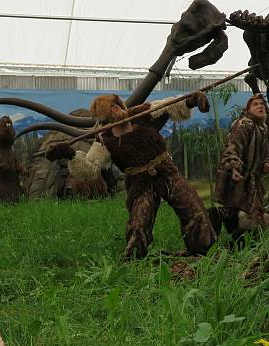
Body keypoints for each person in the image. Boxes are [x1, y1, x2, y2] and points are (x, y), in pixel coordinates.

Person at [48, 93, 214, 259]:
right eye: (110, 109)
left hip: (165, 171)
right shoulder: (105, 139)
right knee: (138, 224)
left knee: (193, 208)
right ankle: (135, 258)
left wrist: (192, 101)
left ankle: (202, 252)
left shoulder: (142, 114)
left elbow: (169, 105)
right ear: (103, 117)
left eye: (116, 105)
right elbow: (90, 169)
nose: (115, 110)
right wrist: (70, 154)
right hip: (139, 182)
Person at [212, 94, 269, 238]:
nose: (260, 106)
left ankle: (246, 238)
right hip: (238, 176)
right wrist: (234, 168)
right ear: (248, 109)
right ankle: (228, 234)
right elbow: (233, 146)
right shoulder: (244, 124)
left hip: (251, 178)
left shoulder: (261, 128)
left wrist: (266, 163)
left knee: (251, 210)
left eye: (262, 104)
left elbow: (264, 153)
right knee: (238, 209)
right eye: (256, 104)